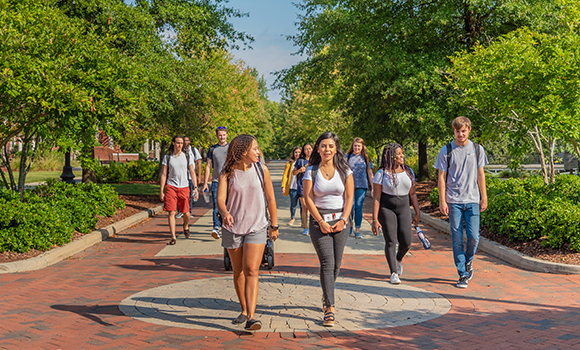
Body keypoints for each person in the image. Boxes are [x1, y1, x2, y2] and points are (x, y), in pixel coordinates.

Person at [217, 134, 279, 331]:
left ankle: (251, 317)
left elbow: (270, 198)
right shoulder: (227, 173)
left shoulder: (262, 170)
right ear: (243, 151)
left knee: (252, 269)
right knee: (238, 272)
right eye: (255, 148)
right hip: (233, 228)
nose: (258, 151)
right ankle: (244, 310)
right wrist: (225, 213)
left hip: (257, 226)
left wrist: (274, 225)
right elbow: (220, 199)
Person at [303, 132, 354, 327]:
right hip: (319, 222)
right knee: (327, 262)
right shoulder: (311, 171)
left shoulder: (345, 170)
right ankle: (329, 308)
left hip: (341, 221)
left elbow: (349, 197)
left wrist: (344, 219)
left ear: (336, 148)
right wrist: (320, 221)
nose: (327, 150)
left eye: (330, 146)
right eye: (323, 146)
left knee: (336, 264)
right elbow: (308, 198)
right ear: (318, 149)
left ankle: (326, 294)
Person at [434, 116, 488, 289]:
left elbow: (481, 174)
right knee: (457, 239)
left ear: (469, 130)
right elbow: (441, 178)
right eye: (457, 131)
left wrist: (484, 196)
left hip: (472, 199)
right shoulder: (446, 150)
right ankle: (462, 274)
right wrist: (442, 200)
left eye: (463, 131)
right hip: (454, 201)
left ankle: (468, 261)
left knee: (473, 237)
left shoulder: (478, 149)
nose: (460, 134)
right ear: (454, 131)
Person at [371, 143, 420, 284]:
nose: (402, 156)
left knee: (406, 242)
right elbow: (376, 198)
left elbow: (413, 193)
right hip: (387, 209)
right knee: (391, 240)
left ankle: (398, 259)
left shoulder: (408, 171)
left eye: (402, 153)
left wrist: (417, 212)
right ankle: (393, 273)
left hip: (404, 208)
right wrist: (375, 219)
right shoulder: (381, 174)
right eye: (398, 154)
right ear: (390, 156)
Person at [159, 135, 199, 245]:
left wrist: (195, 187)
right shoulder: (168, 157)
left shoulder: (187, 156)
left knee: (186, 213)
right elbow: (164, 174)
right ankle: (173, 237)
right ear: (173, 143)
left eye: (181, 143)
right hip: (171, 187)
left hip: (184, 187)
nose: (180, 145)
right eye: (178, 143)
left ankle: (185, 225)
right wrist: (161, 190)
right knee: (171, 212)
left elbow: (192, 172)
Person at [202, 126, 229, 239]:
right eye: (219, 135)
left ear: (226, 135)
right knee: (216, 205)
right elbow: (208, 166)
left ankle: (227, 227)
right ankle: (216, 228)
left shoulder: (231, 148)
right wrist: (205, 183)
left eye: (223, 135)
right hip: (216, 181)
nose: (221, 137)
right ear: (217, 136)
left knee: (229, 205)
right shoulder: (213, 149)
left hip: (229, 181)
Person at [346, 137, 375, 238]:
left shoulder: (366, 158)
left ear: (362, 147)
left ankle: (357, 229)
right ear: (352, 146)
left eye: (358, 146)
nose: (356, 148)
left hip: (362, 185)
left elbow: (370, 173)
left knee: (358, 207)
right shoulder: (347, 157)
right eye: (355, 146)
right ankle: (350, 227)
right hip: (349, 186)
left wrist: (373, 188)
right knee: (351, 206)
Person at [175, 136, 203, 219]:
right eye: (184, 141)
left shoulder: (194, 150)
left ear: (189, 141)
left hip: (190, 177)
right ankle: (180, 211)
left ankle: (188, 211)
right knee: (179, 195)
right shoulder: (180, 150)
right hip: (181, 177)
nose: (185, 142)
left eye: (187, 140)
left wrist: (199, 176)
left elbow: (198, 163)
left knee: (189, 195)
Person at [293, 143, 313, 235]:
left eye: (310, 149)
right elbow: (294, 173)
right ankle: (305, 227)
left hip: (314, 187)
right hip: (302, 186)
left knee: (313, 208)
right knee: (304, 207)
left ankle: (313, 226)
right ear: (303, 151)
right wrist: (299, 170)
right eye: (306, 149)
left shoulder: (316, 160)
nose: (308, 151)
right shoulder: (300, 161)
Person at [281, 146, 302, 226]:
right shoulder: (290, 163)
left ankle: (302, 221)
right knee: (293, 205)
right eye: (296, 152)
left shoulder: (303, 162)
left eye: (299, 152)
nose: (297, 154)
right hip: (292, 187)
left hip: (301, 188)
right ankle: (292, 218)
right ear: (293, 153)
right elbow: (285, 175)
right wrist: (283, 186)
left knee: (302, 206)